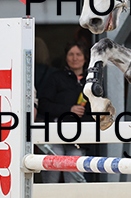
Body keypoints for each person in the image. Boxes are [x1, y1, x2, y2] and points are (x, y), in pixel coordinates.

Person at [38, 41, 92, 183]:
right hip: (55, 135)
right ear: (66, 57)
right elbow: (43, 105)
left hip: (79, 137)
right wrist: (69, 110)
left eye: (78, 54)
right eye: (71, 54)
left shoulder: (91, 81)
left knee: (74, 179)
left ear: (85, 58)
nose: (75, 58)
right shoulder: (56, 78)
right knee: (51, 178)